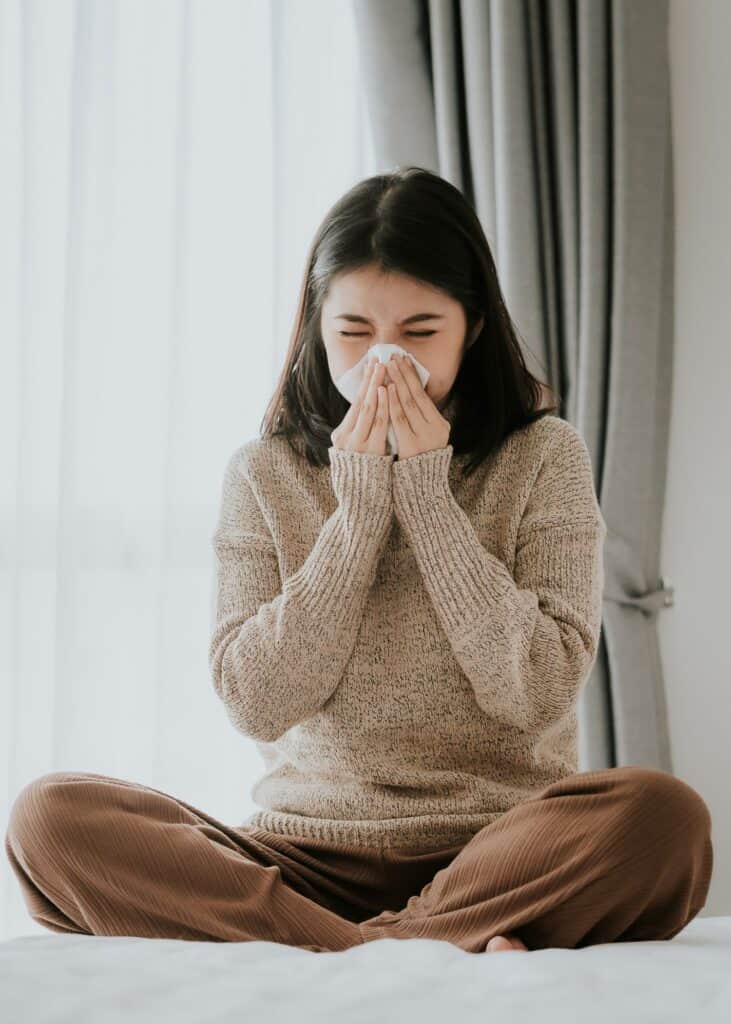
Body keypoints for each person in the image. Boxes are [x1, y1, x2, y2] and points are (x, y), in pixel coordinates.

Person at [5, 167, 713, 953]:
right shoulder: (262, 471)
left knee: (663, 819)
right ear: (315, 324)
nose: (385, 362)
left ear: (471, 327)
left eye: (419, 333)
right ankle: (407, 946)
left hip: (497, 850)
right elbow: (256, 701)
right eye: (353, 333)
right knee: (50, 818)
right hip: (302, 852)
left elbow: (535, 691)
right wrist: (359, 510)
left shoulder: (544, 456)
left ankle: (331, 946)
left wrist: (427, 498)